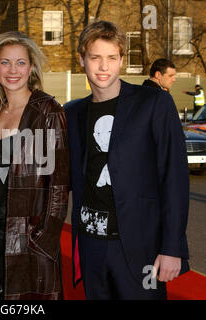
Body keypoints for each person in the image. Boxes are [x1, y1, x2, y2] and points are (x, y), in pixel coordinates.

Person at [64, 20, 189, 300]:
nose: (103, 66)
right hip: (91, 245)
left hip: (140, 247)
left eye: (111, 58)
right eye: (95, 57)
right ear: (82, 60)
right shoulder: (72, 113)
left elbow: (174, 179)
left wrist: (172, 248)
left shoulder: (153, 103)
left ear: (122, 60)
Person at [0, 31, 70, 300]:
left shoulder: (47, 110)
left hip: (31, 237)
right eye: (5, 62)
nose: (12, 70)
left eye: (20, 62)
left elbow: (60, 185)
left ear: (31, 68)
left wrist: (43, 239)